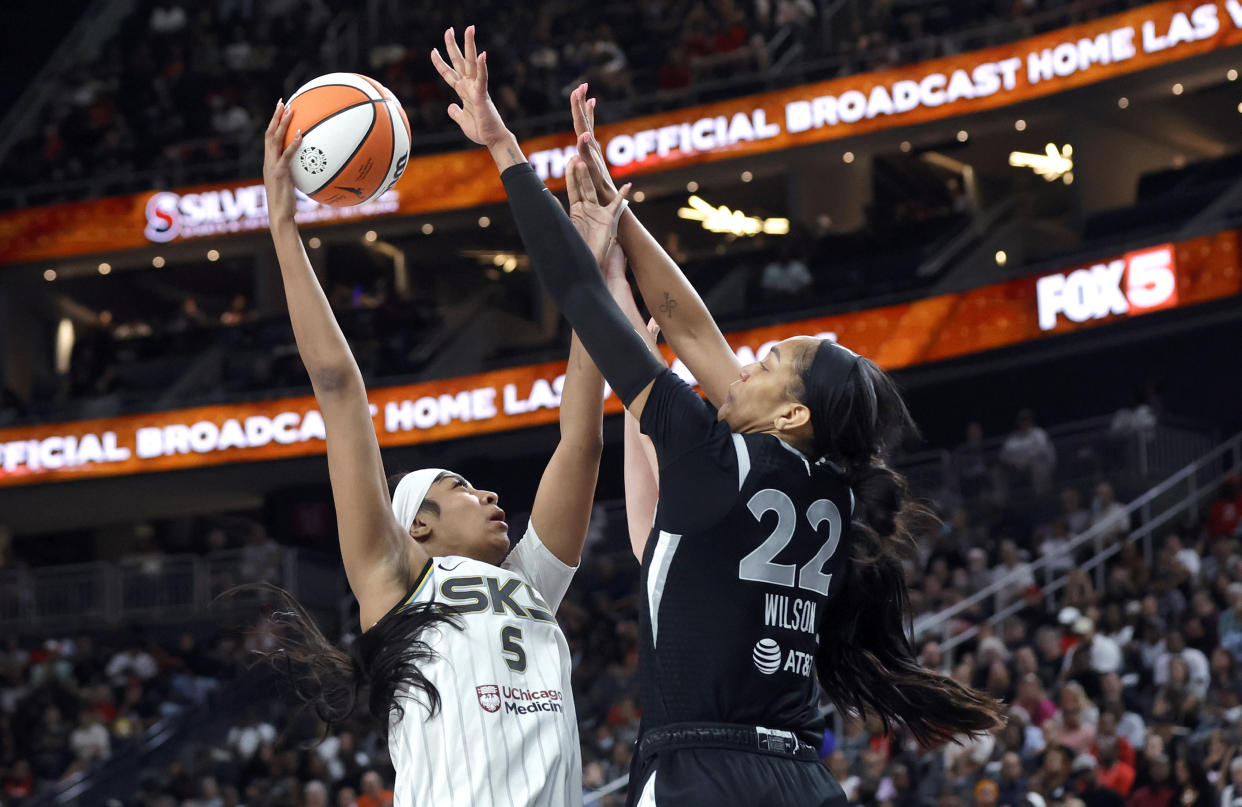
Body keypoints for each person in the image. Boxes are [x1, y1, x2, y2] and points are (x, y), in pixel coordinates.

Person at [432, 30, 1004, 806]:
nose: (747, 361)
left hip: (702, 772)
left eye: (769, 363)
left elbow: (578, 296)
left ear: (793, 411)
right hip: (804, 779)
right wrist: (621, 218)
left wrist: (502, 146)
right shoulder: (832, 487)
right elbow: (694, 331)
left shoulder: (715, 457)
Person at [250, 93, 613, 807]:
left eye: (474, 487)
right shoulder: (395, 584)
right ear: (417, 524)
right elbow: (339, 388)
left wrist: (588, 273)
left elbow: (583, 436)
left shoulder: (531, 582)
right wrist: (283, 223)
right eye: (462, 488)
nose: (490, 495)